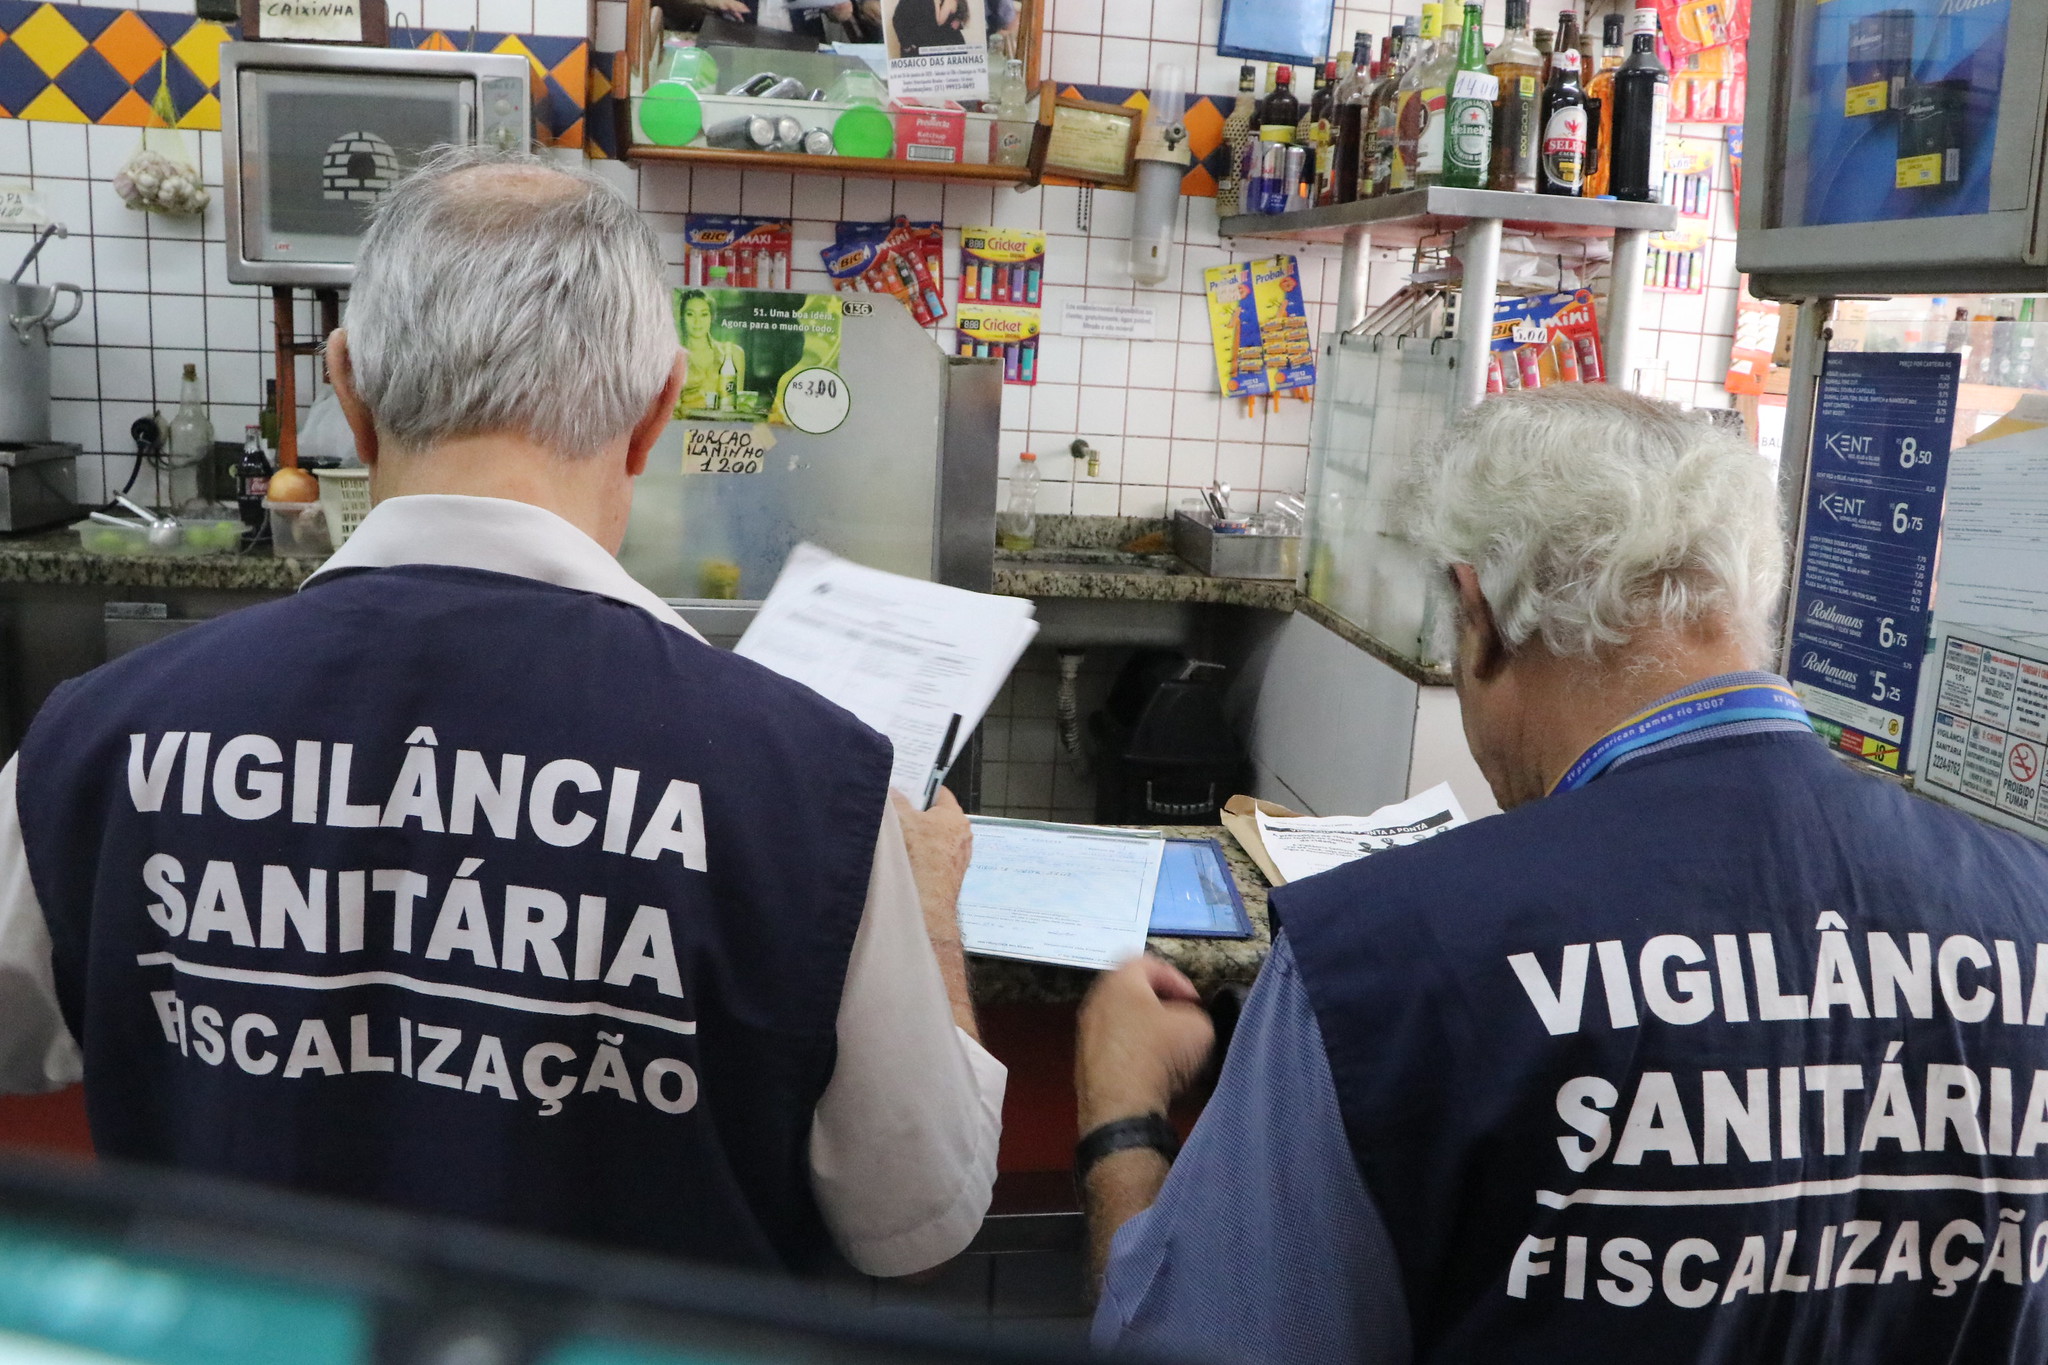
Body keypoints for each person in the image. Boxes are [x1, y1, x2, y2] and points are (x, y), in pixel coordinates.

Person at [0, 148, 1004, 1280]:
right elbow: (917, 1208)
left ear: (348, 388)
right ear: (657, 406)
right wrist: (926, 912)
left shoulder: (95, 740)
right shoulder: (813, 787)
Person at [1077, 386, 2048, 1363]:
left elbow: (1187, 1343)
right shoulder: (2028, 907)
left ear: (1479, 613)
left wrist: (1121, 1118)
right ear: (1745, 595)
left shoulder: (1378, 960)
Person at [677, 289, 750, 415]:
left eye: (704, 314)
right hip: (687, 428)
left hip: (723, 428)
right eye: (690, 314)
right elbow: (673, 412)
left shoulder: (734, 354)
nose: (697, 322)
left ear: (712, 317)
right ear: (682, 317)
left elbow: (737, 405)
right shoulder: (674, 358)